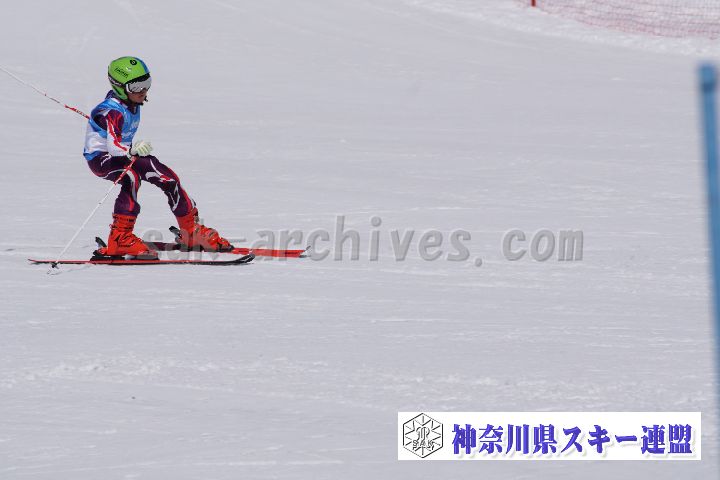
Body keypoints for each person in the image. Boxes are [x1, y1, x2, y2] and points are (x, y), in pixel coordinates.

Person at [83, 56, 232, 258]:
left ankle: (191, 231)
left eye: (147, 83)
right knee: (131, 178)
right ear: (120, 87)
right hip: (102, 159)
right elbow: (113, 146)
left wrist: (128, 149)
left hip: (125, 153)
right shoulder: (112, 111)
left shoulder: (129, 101)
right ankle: (120, 238)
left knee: (167, 177)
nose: (143, 91)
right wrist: (130, 150)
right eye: (136, 86)